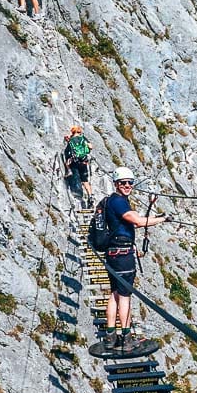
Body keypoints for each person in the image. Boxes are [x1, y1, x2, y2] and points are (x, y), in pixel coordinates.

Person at [102, 167, 167, 352]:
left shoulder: (111, 201)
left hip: (113, 253)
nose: (128, 185)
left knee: (114, 293)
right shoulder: (119, 202)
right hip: (123, 257)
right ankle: (126, 338)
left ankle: (109, 336)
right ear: (116, 184)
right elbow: (137, 221)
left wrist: (154, 217)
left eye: (130, 182)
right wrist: (162, 219)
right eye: (123, 183)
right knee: (124, 296)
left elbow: (130, 223)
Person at [63, 125, 93, 206]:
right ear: (80, 131)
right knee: (85, 181)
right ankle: (90, 196)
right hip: (84, 162)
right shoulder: (83, 138)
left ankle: (68, 171)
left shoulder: (71, 140)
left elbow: (68, 151)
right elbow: (91, 147)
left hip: (74, 162)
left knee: (67, 163)